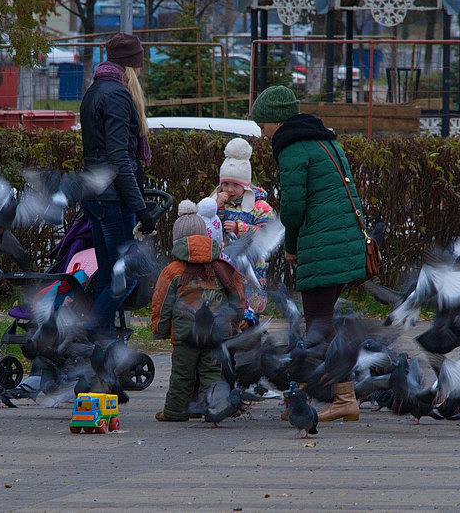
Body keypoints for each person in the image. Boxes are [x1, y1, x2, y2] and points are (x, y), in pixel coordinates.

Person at [250, 85, 368, 422]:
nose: (262, 132)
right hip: (344, 243)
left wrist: (290, 247)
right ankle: (300, 396)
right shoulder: (323, 139)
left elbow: (293, 206)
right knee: (318, 324)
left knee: (320, 326)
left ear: (277, 121)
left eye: (263, 125)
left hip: (322, 245)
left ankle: (344, 398)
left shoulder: (292, 147)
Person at [79, 33, 156, 341]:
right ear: (131, 66)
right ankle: (85, 336)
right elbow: (120, 159)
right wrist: (140, 208)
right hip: (113, 201)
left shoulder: (94, 90)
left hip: (94, 197)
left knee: (108, 278)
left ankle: (103, 346)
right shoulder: (119, 95)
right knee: (127, 279)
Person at [150, 201, 244, 422]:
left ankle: (174, 412)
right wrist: (236, 323)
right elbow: (236, 297)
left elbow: (162, 303)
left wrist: (160, 329)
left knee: (182, 376)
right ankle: (214, 411)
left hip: (185, 338)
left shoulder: (172, 271)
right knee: (212, 375)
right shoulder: (221, 266)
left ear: (177, 242)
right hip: (215, 335)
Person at [209, 137, 276, 303]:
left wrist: (241, 229)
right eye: (225, 184)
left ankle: (251, 321)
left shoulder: (260, 207)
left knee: (249, 300)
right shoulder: (216, 202)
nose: (229, 189)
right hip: (223, 264)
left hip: (251, 265)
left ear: (245, 185)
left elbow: (268, 232)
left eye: (235, 185)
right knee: (226, 303)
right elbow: (206, 225)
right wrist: (214, 207)